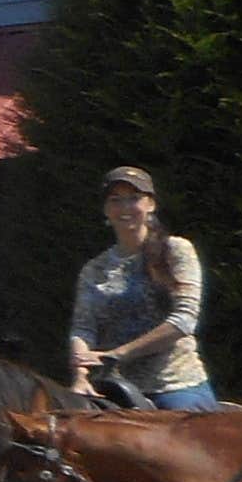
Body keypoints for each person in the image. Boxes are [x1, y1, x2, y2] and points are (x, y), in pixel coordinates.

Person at [68, 166, 217, 410]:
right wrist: (81, 375)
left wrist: (118, 354)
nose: (125, 208)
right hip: (111, 389)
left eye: (134, 199)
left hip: (173, 385)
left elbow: (184, 320)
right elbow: (83, 328)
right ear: (106, 209)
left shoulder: (176, 251)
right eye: (115, 200)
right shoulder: (94, 269)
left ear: (151, 205)